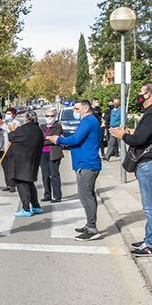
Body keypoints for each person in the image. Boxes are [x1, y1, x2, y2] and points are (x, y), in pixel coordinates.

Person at [110, 82, 152, 257]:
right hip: (149, 164)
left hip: (149, 165)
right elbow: (143, 136)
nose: (139, 95)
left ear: (149, 95)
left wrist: (123, 136)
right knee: (149, 206)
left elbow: (139, 140)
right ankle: (148, 240)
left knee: (150, 207)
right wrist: (128, 133)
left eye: (141, 92)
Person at [47, 99, 103, 241]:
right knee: (88, 194)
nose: (74, 112)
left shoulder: (88, 121)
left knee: (85, 196)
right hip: (84, 163)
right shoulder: (89, 121)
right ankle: (90, 223)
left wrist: (58, 140)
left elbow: (76, 139)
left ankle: (92, 228)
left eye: (77, 109)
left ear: (85, 108)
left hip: (87, 163)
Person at [7, 111, 45, 217]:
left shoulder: (24, 129)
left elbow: (12, 137)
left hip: (21, 162)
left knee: (22, 184)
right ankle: (36, 206)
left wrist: (12, 130)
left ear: (27, 119)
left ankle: (26, 208)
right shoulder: (38, 130)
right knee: (29, 183)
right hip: (33, 160)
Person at [0, 107, 20, 193]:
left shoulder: (15, 122)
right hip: (1, 148)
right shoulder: (3, 123)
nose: (7, 115)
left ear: (14, 115)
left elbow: (10, 131)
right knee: (5, 167)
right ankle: (8, 184)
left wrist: (3, 125)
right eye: (7, 113)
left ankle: (13, 185)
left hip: (10, 147)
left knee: (11, 167)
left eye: (9, 114)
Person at [39, 108, 64, 202]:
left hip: (54, 153)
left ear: (55, 117)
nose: (49, 118)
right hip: (42, 153)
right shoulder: (42, 127)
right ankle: (47, 194)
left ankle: (57, 196)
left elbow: (55, 139)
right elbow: (39, 139)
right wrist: (48, 139)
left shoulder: (58, 126)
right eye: (47, 116)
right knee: (45, 175)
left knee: (54, 174)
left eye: (51, 116)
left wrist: (46, 139)